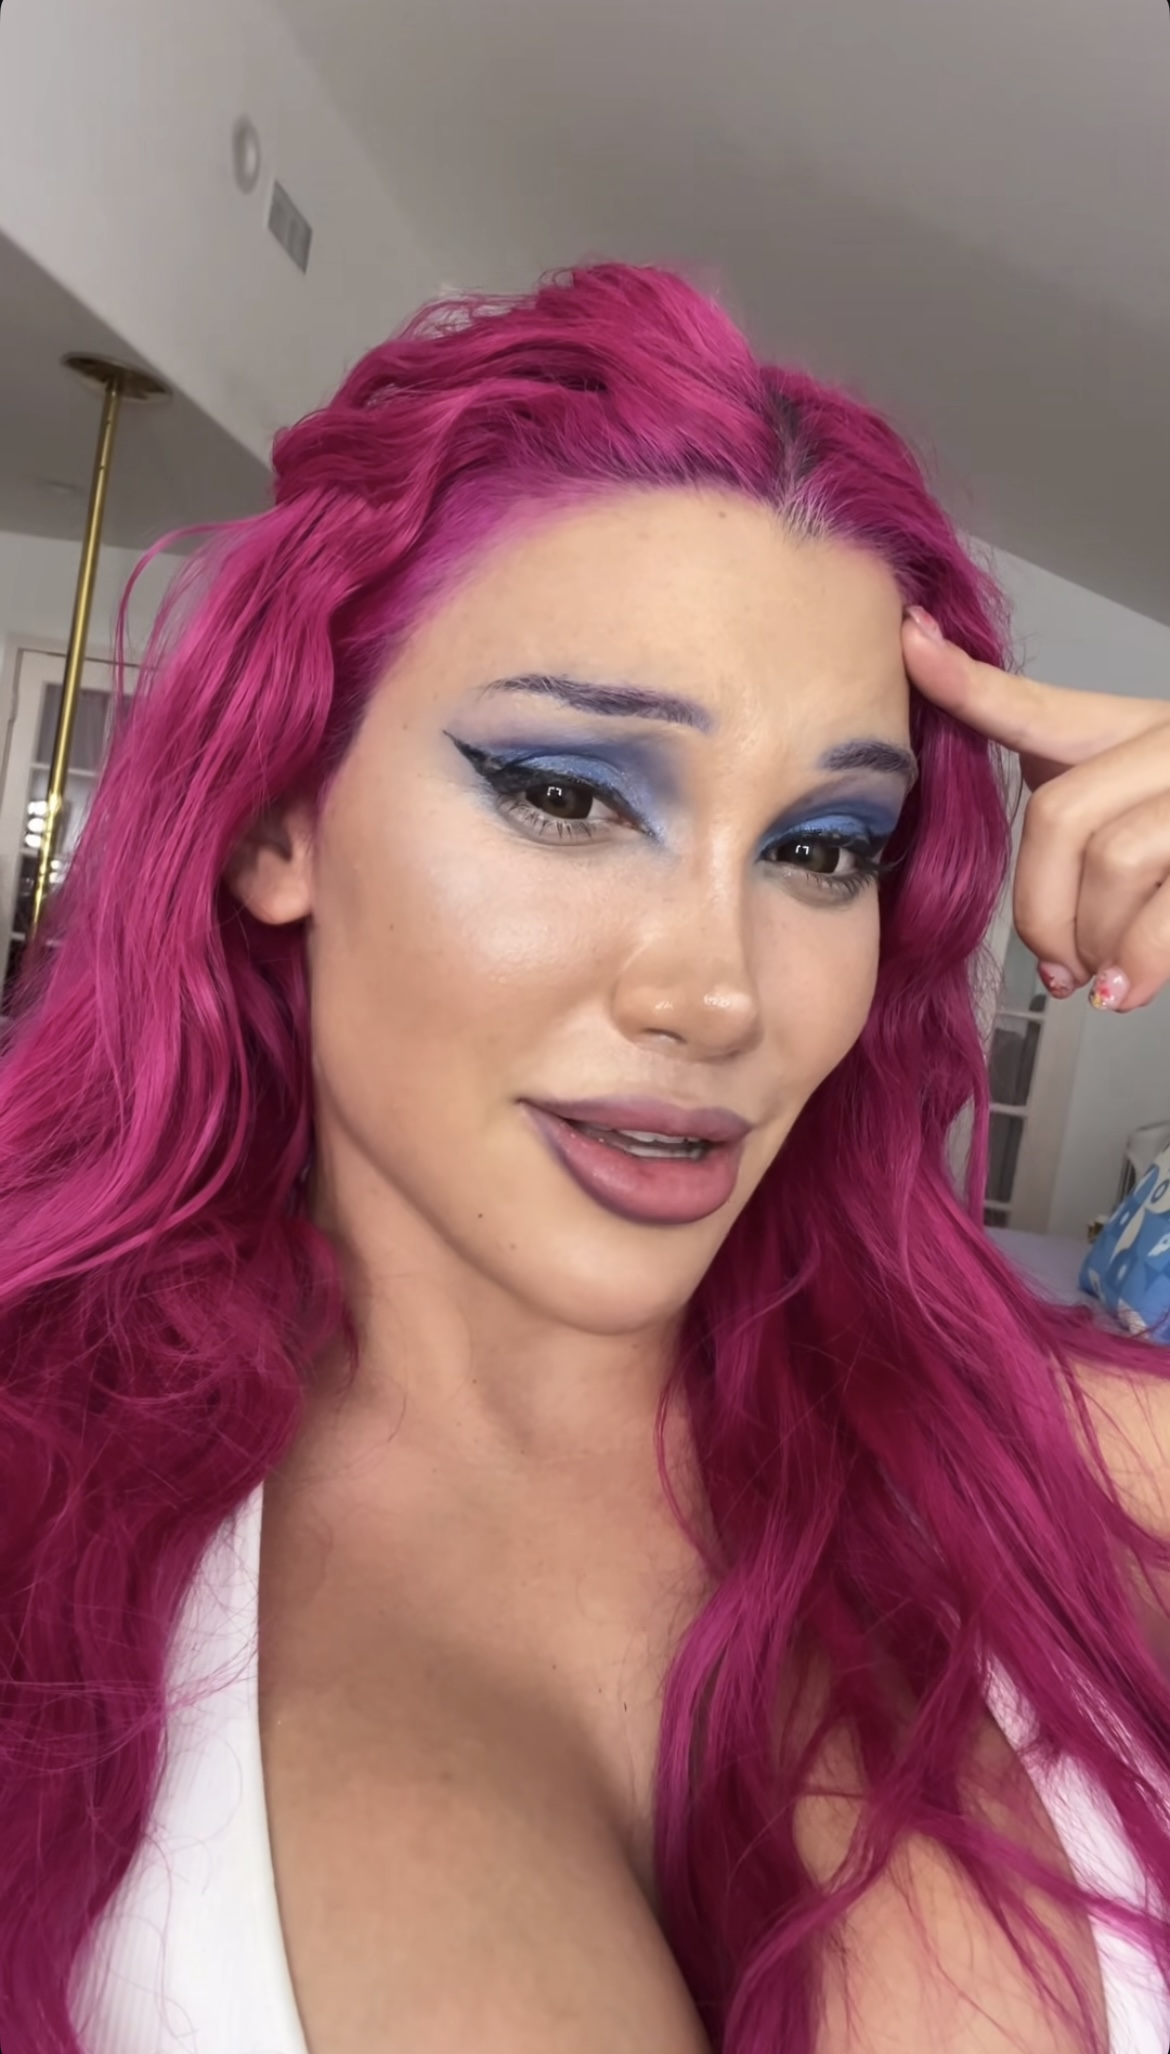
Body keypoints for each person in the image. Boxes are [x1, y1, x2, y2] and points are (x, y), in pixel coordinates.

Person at [2, 262, 1170, 2054]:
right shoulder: (40, 1518)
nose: (715, 993)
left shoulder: (1075, 1474)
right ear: (275, 817)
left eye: (823, 846)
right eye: (565, 793)